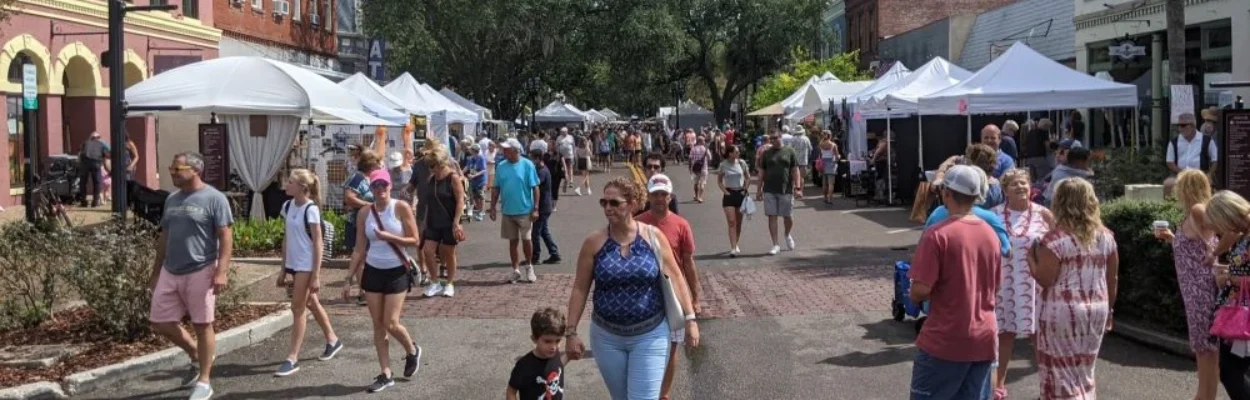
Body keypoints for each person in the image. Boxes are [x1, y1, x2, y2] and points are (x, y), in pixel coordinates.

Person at [564, 177, 701, 400]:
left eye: (614, 203)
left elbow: (676, 276)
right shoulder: (594, 242)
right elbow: (580, 288)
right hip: (607, 337)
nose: (608, 208)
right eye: (604, 202)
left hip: (651, 334)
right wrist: (571, 332)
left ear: (632, 204)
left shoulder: (653, 237)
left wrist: (690, 318)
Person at [908, 165, 1002, 400]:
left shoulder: (937, 235)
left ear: (947, 194)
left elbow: (919, 290)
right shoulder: (990, 234)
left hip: (945, 338)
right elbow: (995, 286)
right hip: (984, 336)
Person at [148, 152, 233, 400]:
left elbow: (225, 235)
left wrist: (222, 271)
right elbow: (164, 236)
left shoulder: (214, 199)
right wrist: (155, 272)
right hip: (170, 270)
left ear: (196, 170)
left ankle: (204, 381)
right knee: (159, 321)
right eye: (171, 168)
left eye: (177, 169)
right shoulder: (172, 199)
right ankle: (196, 353)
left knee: (202, 324)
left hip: (202, 270)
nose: (172, 173)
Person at [1031, 178, 1118, 399]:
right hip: (1097, 307)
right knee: (1084, 372)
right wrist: (1110, 310)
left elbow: (1045, 278)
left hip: (1062, 312)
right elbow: (1112, 277)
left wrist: (1030, 258)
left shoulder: (1054, 240)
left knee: (1060, 375)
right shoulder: (1107, 237)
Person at [342, 169, 423, 393]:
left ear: (390, 186)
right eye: (376, 186)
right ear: (371, 189)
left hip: (397, 270)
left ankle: (412, 350)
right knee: (377, 324)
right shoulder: (364, 213)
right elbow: (359, 248)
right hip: (373, 271)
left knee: (391, 322)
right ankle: (386, 373)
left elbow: (415, 239)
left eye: (384, 185)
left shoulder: (400, 207)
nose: (380, 190)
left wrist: (390, 237)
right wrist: (348, 279)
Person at [1155, 169, 1220, 400]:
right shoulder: (1198, 211)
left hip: (1199, 290)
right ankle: (1205, 396)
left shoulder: (1198, 209)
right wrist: (1174, 238)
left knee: (1205, 350)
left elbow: (1222, 234)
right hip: (1197, 289)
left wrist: (1215, 254)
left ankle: (1203, 397)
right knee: (1208, 352)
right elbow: (1199, 245)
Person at [988, 169, 1053, 399]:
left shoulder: (1044, 214)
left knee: (1040, 336)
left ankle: (1048, 387)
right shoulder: (993, 215)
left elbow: (1058, 244)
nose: (1020, 187)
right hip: (1005, 284)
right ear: (1005, 190)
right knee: (1004, 335)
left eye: (1024, 183)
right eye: (1014, 184)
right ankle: (998, 387)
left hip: (1035, 284)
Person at [635, 174, 700, 400]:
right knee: (646, 345)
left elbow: (688, 261)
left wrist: (694, 297)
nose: (659, 198)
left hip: (672, 292)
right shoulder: (638, 223)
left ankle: (664, 394)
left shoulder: (681, 224)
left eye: (663, 194)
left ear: (670, 196)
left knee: (672, 345)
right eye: (655, 194)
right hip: (644, 292)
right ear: (648, 196)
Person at [273, 169, 343, 377]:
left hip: (306, 264)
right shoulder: (287, 206)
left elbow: (318, 243)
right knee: (311, 302)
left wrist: (316, 275)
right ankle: (333, 339)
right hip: (294, 263)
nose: (287, 185)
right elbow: (287, 238)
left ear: (302, 187)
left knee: (298, 307)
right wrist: (283, 268)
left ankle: (292, 357)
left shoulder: (310, 209)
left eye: (291, 182)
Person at [1206, 190, 1250, 399]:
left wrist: (1231, 279)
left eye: (1219, 223)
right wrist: (1227, 272)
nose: (1219, 230)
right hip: (1237, 316)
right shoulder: (1244, 234)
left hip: (1243, 316)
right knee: (1233, 371)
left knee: (1231, 373)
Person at [490, 138, 541, 283]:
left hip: (525, 210)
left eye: (507, 149)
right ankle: (515, 270)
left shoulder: (527, 165)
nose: (504, 151)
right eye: (504, 149)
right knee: (512, 241)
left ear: (515, 151)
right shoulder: (501, 166)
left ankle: (529, 267)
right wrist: (492, 207)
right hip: (507, 211)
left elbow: (535, 187)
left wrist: (536, 208)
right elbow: (496, 188)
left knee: (527, 240)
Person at [418, 144, 466, 298]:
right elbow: (429, 202)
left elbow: (460, 201)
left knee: (448, 252)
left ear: (441, 164)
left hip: (449, 221)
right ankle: (434, 282)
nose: (431, 169)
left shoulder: (453, 178)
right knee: (427, 250)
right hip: (433, 220)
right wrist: (424, 222)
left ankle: (450, 283)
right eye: (429, 166)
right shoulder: (432, 179)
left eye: (433, 166)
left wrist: (456, 222)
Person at [508, 308, 569, 400]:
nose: (554, 347)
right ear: (534, 339)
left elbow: (556, 367)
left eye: (557, 341)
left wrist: (569, 356)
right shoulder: (524, 365)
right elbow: (511, 391)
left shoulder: (556, 355)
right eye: (548, 341)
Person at [756, 132, 801, 255]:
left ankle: (787, 234)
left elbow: (795, 170)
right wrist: (758, 190)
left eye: (775, 138)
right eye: (771, 139)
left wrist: (798, 187)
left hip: (785, 189)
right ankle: (775, 244)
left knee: (788, 216)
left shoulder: (789, 151)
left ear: (781, 138)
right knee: (772, 216)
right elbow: (761, 172)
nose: (773, 140)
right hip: (769, 189)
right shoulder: (766, 153)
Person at [717, 145, 751, 257]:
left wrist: (745, 189)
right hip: (729, 194)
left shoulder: (741, 163)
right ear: (730, 153)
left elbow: (748, 177)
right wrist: (725, 192)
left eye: (738, 151)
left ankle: (736, 243)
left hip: (740, 193)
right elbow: (720, 181)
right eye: (736, 151)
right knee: (732, 222)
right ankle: (733, 247)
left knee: (739, 222)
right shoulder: (723, 164)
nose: (738, 153)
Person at [531, 149, 561, 264]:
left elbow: (535, 184)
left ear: (538, 158)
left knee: (536, 232)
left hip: (543, 206)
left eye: (532, 158)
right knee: (544, 231)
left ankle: (535, 256)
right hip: (545, 205)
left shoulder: (542, 171)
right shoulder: (540, 169)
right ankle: (554, 253)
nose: (531, 160)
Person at [1166, 112, 1220, 179]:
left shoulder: (1207, 140)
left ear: (1193, 126)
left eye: (1183, 125)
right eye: (1178, 125)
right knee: (1168, 184)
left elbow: (1215, 160)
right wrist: (1183, 173)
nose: (1180, 128)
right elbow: (1170, 162)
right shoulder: (1173, 142)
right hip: (1180, 175)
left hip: (1201, 176)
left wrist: (1209, 174)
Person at [78, 132, 109, 207]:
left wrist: (80, 163)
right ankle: (95, 201)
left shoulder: (85, 143)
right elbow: (105, 155)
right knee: (97, 182)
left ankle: (83, 201)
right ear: (98, 138)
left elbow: (80, 153)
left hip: (85, 163)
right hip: (96, 163)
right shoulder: (101, 144)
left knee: (83, 182)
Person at [462, 146, 488, 221]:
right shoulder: (471, 158)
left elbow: (483, 170)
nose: (469, 151)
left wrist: (474, 175)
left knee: (480, 195)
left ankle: (482, 211)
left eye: (471, 150)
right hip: (473, 180)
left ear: (474, 151)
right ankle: (479, 209)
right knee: (474, 195)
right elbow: (467, 167)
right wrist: (461, 173)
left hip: (480, 180)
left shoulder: (481, 158)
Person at [819, 131, 840, 204]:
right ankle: (830, 199)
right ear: (830, 136)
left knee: (824, 183)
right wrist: (838, 158)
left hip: (823, 163)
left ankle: (825, 198)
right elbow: (837, 156)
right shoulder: (833, 145)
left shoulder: (821, 144)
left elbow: (821, 155)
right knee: (831, 183)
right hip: (831, 163)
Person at [688, 136, 710, 203]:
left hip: (695, 168)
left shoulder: (693, 149)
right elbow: (710, 158)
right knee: (702, 183)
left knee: (696, 183)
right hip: (704, 168)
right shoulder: (705, 149)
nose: (704, 142)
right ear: (700, 141)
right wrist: (707, 163)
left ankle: (696, 196)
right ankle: (700, 197)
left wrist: (690, 168)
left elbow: (690, 158)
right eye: (703, 140)